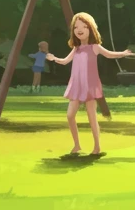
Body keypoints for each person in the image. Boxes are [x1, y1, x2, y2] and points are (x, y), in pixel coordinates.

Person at [47, 13, 130, 156]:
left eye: (84, 27)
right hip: (77, 86)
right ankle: (77, 145)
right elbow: (65, 61)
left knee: (91, 116)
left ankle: (97, 146)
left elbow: (109, 54)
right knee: (70, 115)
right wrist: (54, 58)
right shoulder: (77, 48)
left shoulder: (95, 47)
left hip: (90, 86)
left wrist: (122, 53)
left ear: (90, 29)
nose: (80, 30)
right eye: (76, 27)